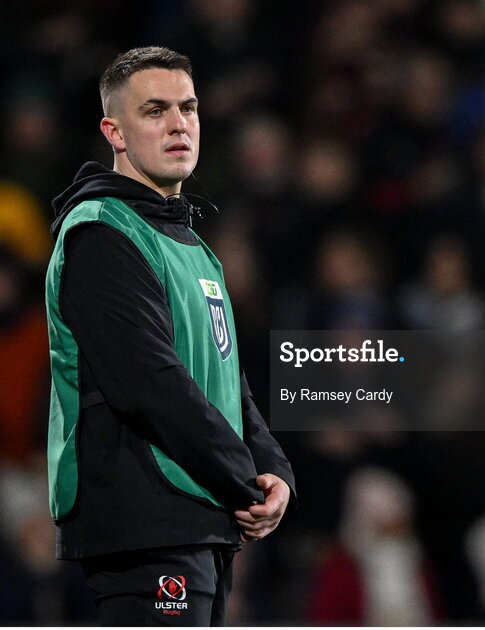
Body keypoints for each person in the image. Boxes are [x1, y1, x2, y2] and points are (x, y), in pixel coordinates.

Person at [44, 46, 295, 626]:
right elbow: (147, 384)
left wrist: (273, 471)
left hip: (199, 514)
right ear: (116, 132)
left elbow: (231, 386)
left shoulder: (196, 250)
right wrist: (244, 481)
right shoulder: (101, 234)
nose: (179, 123)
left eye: (188, 108)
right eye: (155, 110)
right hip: (144, 519)